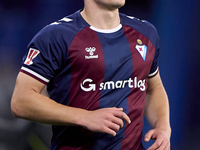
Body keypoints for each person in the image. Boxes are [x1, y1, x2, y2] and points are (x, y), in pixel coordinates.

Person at [11, 0, 171, 149]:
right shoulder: (56, 36)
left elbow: (153, 87)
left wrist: (163, 126)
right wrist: (84, 117)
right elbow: (21, 101)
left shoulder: (145, 33)